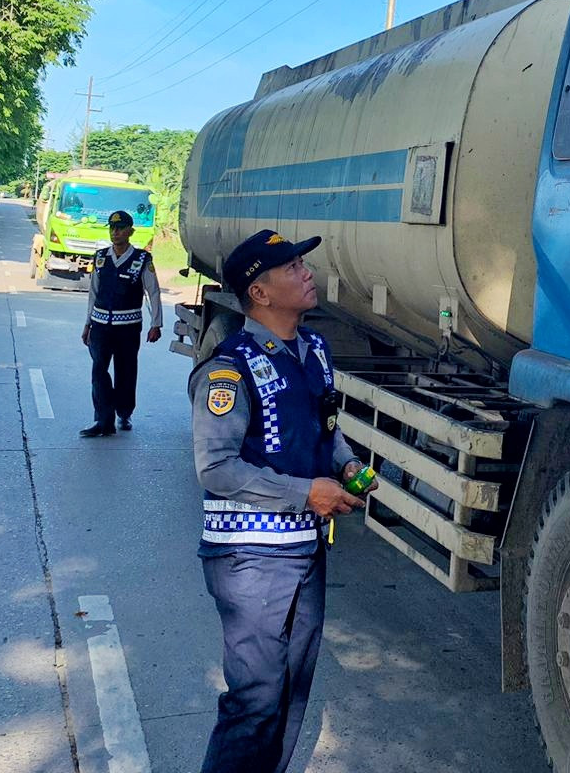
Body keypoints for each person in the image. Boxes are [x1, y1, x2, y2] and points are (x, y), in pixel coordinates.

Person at [189, 228, 376, 773]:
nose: (307, 273)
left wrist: (345, 465)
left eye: (302, 264)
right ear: (261, 293)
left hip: (305, 550)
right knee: (255, 699)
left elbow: (325, 427)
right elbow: (216, 468)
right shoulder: (228, 368)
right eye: (292, 268)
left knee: (291, 691)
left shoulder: (314, 349)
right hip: (249, 558)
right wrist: (305, 492)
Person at [79, 209, 163, 437]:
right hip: (100, 326)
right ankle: (102, 419)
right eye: (112, 228)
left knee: (125, 371)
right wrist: (87, 324)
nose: (115, 232)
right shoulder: (100, 257)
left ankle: (124, 412)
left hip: (128, 327)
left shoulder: (142, 259)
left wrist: (156, 323)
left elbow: (153, 292)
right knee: (98, 371)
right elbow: (93, 293)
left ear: (130, 231)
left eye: (120, 228)